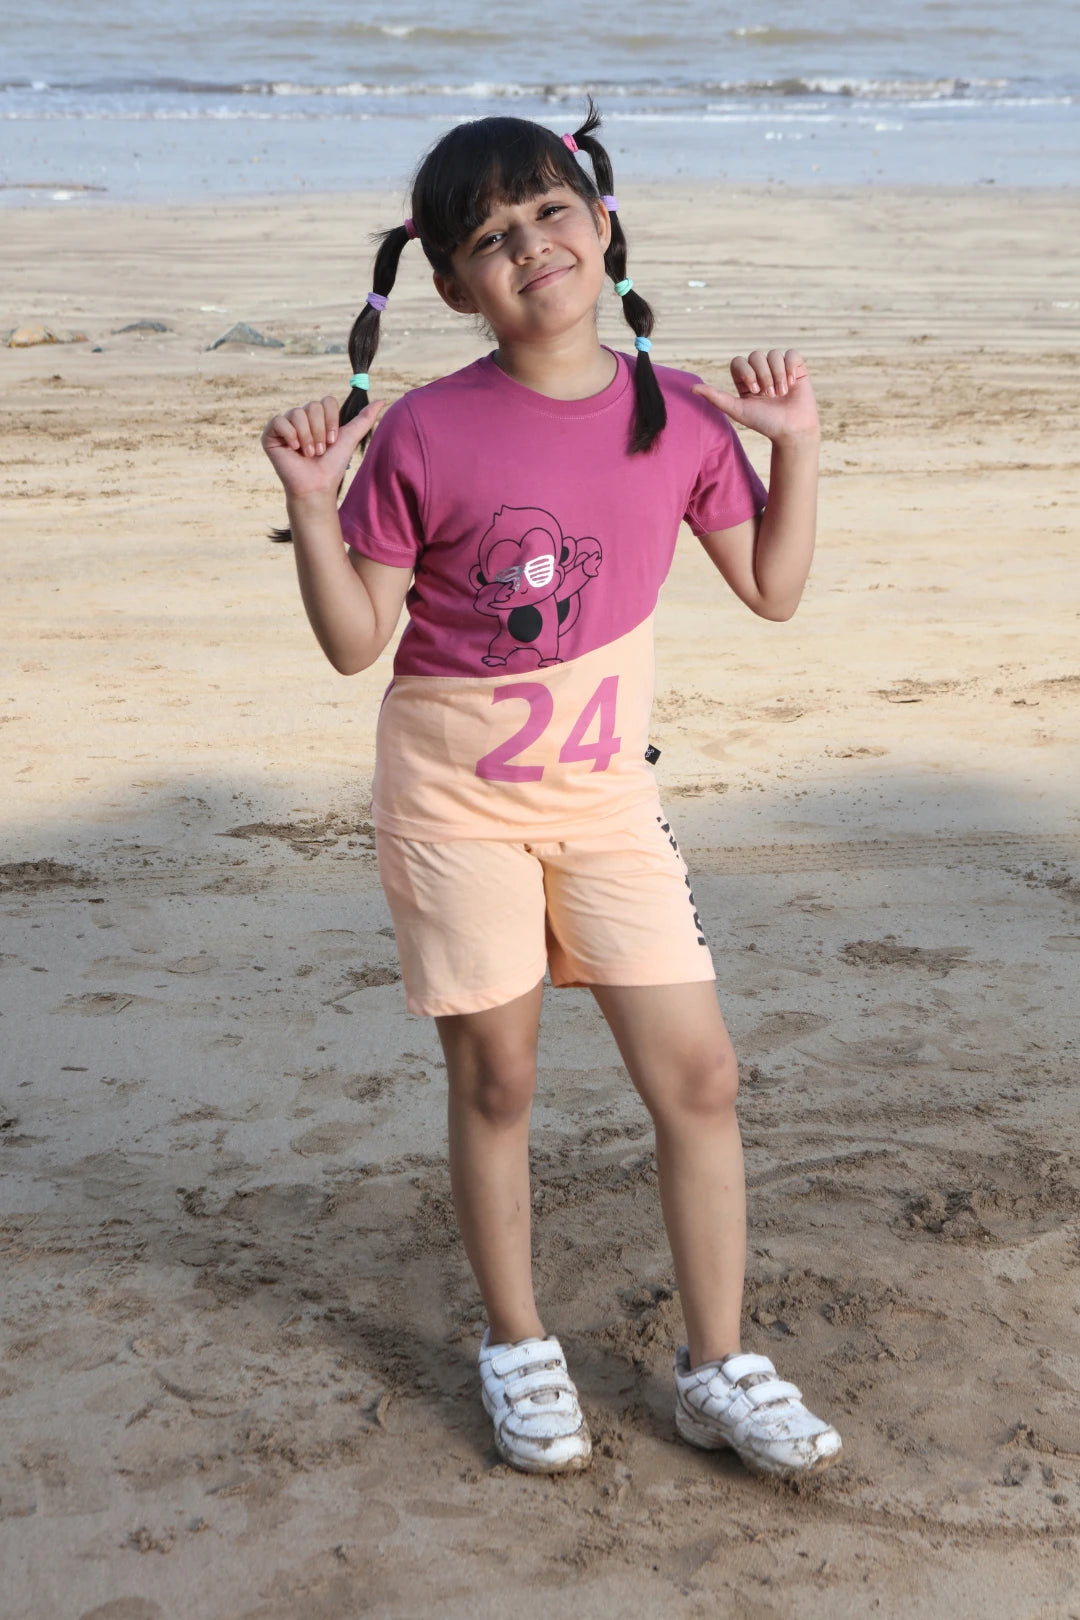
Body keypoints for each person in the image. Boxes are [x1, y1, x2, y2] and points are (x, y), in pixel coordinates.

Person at [261, 104, 841, 1482]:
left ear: (601, 225)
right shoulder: (423, 433)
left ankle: (718, 1366)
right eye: (490, 237)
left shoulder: (679, 411)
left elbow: (773, 590)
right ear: (452, 286)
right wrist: (312, 506)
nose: (530, 245)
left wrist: (797, 444)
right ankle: (519, 1343)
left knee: (700, 1074)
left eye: (549, 211)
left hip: (605, 799)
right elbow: (355, 642)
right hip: (453, 802)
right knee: (500, 1078)